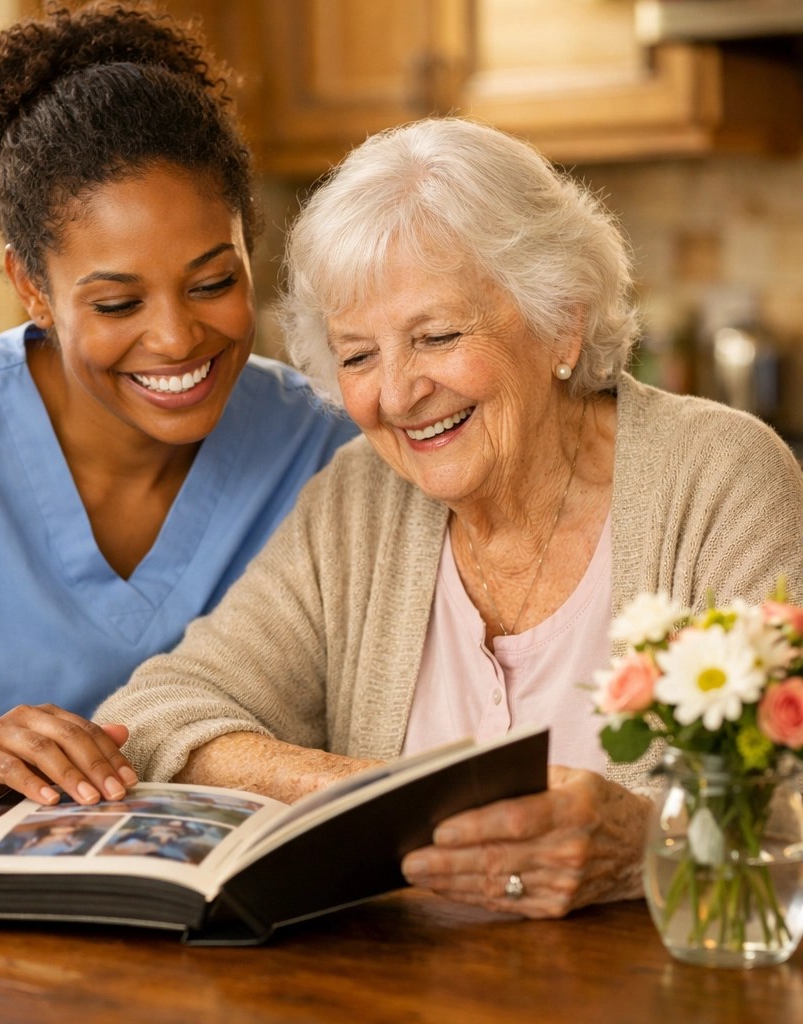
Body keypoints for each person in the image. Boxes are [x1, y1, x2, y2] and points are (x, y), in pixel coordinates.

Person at [94, 116, 803, 919]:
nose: (396, 396)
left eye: (436, 336)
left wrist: (646, 840)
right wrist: (372, 793)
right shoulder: (360, 498)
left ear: (561, 321)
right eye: (358, 355)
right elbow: (149, 716)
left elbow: (787, 812)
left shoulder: (720, 479)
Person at [0, 2, 355, 824]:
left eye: (213, 283)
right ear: (30, 288)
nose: (176, 337)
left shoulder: (327, 445)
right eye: (118, 302)